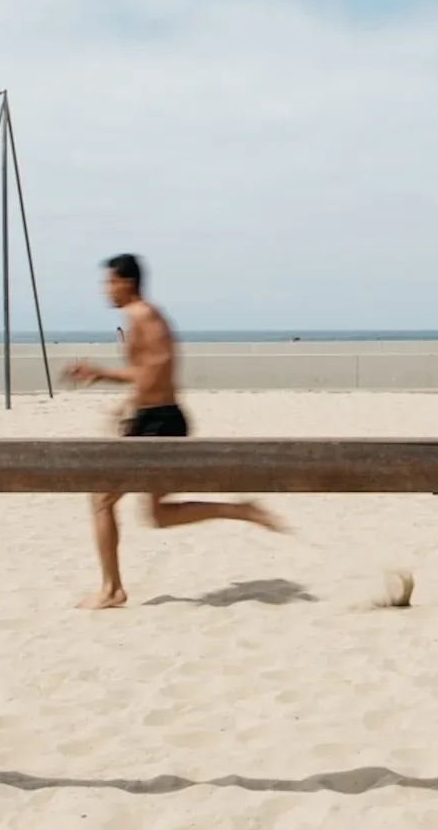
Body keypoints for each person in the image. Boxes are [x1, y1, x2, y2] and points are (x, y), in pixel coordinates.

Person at [63, 254, 283, 610]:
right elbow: (152, 372)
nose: (106, 289)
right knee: (158, 515)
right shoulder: (141, 316)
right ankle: (240, 510)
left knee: (102, 498)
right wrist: (127, 405)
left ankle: (111, 589)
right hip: (154, 417)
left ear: (127, 283)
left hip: (159, 422)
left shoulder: (142, 315)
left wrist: (103, 374)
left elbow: (156, 370)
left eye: (110, 282)